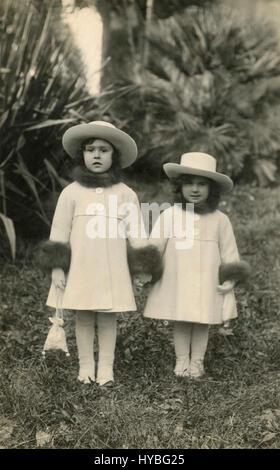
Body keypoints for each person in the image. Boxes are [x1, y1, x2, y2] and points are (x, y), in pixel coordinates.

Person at [37, 121, 160, 386]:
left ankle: (106, 367)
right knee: (83, 317)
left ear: (114, 155)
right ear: (82, 154)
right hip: (81, 266)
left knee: (107, 317)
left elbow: (137, 231)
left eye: (103, 150)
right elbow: (59, 232)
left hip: (111, 267)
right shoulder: (71, 193)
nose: (96, 155)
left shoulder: (125, 194)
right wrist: (57, 266)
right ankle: (85, 366)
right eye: (90, 149)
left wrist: (143, 266)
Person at [143, 152, 250, 378]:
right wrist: (146, 269)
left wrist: (230, 276)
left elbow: (229, 250)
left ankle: (197, 362)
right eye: (189, 183)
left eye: (201, 184)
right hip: (178, 277)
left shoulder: (220, 219)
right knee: (181, 318)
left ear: (211, 189)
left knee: (203, 320)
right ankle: (182, 360)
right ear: (179, 187)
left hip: (206, 279)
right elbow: (155, 245)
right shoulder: (170, 215)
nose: (194, 189)